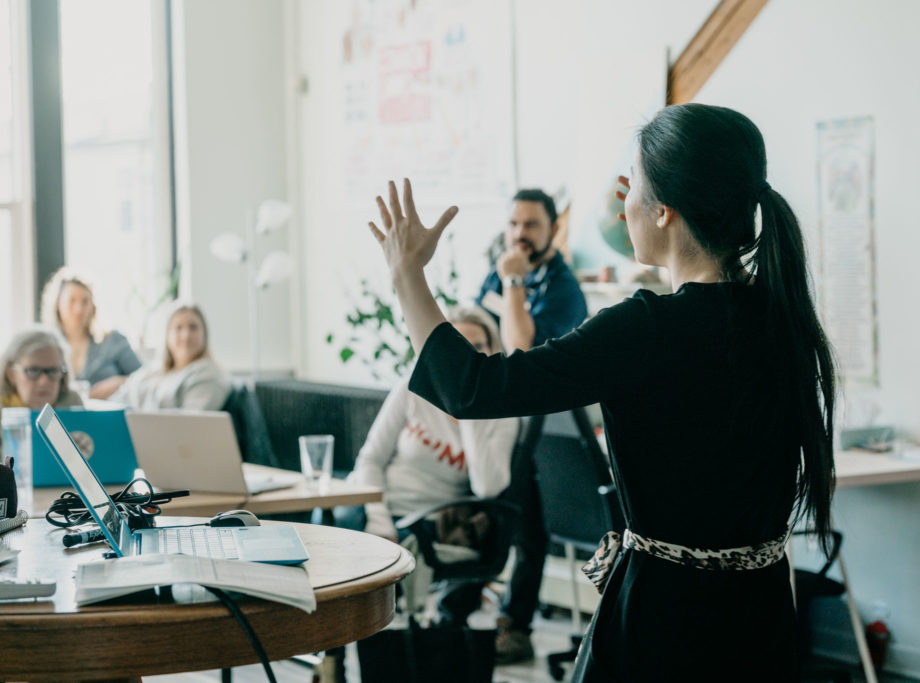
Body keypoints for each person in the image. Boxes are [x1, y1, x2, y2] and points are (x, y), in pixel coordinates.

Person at [367, 103, 835, 682]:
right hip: (761, 614)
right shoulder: (783, 319)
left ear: (664, 210)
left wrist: (406, 275)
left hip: (664, 619)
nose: (621, 201)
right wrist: (648, 186)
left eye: (632, 184)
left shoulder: (643, 328)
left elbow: (473, 388)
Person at [341, 305, 519, 625]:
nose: (469, 357)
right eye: (460, 348)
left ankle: (378, 644)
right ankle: (334, 656)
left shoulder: (501, 415)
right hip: (376, 504)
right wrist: (378, 517)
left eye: (478, 347)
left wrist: (469, 408)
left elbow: (489, 487)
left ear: (493, 351)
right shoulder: (413, 387)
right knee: (331, 529)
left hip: (429, 519)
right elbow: (370, 459)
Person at [476, 188, 588, 662]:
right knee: (514, 521)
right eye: (514, 224)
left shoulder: (562, 288)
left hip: (548, 429)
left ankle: (511, 624)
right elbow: (477, 331)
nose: (520, 234)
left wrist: (514, 286)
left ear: (553, 230)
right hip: (498, 418)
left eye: (531, 225)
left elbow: (520, 350)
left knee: (527, 529)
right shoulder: (501, 271)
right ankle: (478, 615)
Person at [0, 327, 84, 464]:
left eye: (53, 371)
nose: (44, 381)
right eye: (33, 371)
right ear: (11, 374)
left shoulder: (71, 405)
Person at [40, 267, 142, 400]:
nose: (78, 309)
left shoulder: (113, 340)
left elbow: (144, 379)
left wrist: (119, 382)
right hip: (63, 418)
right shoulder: (46, 347)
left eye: (85, 301)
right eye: (72, 301)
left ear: (93, 306)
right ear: (58, 304)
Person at [112, 302, 230, 411]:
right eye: (178, 328)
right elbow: (118, 400)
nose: (186, 336)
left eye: (193, 327)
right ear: (167, 335)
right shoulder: (151, 372)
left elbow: (191, 425)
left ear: (204, 334)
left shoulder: (207, 374)